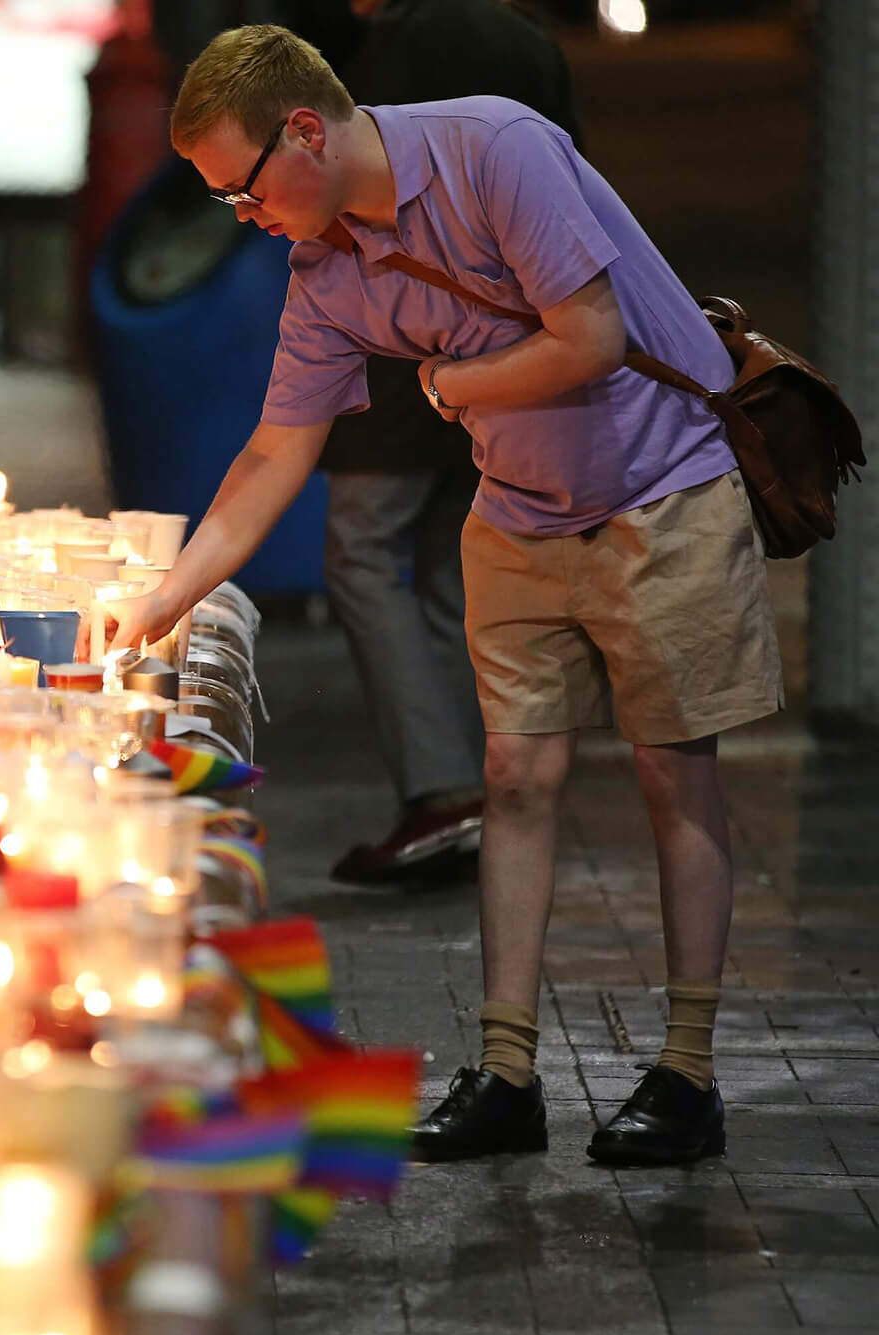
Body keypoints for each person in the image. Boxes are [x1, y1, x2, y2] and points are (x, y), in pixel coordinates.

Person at [107, 25, 781, 1165]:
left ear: (305, 131)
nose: (244, 217)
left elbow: (590, 338)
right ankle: (507, 1072)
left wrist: (445, 383)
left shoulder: (495, 150)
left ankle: (685, 1070)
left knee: (674, 773)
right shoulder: (323, 269)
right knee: (512, 775)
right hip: (516, 509)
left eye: (244, 188)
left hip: (662, 493)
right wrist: (162, 598)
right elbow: (275, 453)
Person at [307, 0, 583, 888]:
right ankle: (479, 794)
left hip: (405, 342)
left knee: (361, 550)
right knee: (446, 565)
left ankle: (441, 793)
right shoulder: (526, 43)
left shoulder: (388, 50)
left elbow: (347, 192)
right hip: (518, 339)